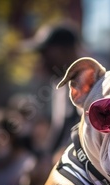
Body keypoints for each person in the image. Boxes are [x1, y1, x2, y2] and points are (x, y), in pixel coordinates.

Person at [21, 20, 85, 156]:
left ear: (67, 51)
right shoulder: (59, 85)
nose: (41, 59)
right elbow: (59, 132)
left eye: (45, 52)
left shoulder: (89, 86)